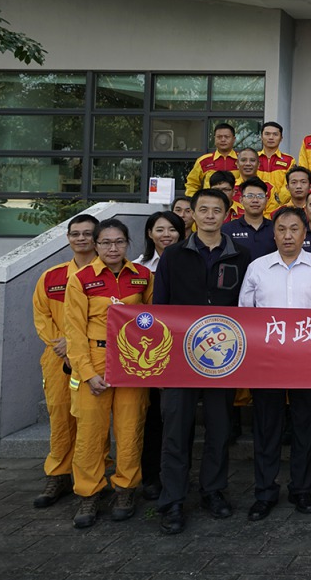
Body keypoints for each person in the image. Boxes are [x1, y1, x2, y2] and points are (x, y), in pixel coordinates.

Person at [154, 188, 252, 535]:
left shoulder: (242, 255)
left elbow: (248, 309)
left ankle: (213, 491)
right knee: (176, 430)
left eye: (217, 210)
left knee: (219, 427)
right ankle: (173, 500)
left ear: (227, 214)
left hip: (222, 358)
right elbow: (160, 307)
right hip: (178, 358)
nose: (210, 215)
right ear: (191, 215)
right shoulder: (173, 255)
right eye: (203, 210)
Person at [238, 206, 311, 521]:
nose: (288, 235)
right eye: (281, 229)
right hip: (268, 363)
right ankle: (265, 492)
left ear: (304, 233)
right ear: (273, 232)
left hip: (307, 361)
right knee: (267, 428)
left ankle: (301, 489)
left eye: (294, 228)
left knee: (304, 427)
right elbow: (245, 317)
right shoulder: (258, 268)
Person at [63, 218, 152, 528]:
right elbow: (73, 330)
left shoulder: (142, 276)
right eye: (106, 243)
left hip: (132, 361)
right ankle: (88, 494)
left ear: (128, 244)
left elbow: (155, 321)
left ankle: (125, 488)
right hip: (94, 359)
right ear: (96, 245)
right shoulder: (82, 278)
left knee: (130, 429)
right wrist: (87, 372)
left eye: (119, 242)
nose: (113, 248)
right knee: (90, 434)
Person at [30, 213, 99, 510]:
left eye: (87, 234)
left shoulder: (108, 275)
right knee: (60, 416)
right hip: (57, 357)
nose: (81, 238)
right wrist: (63, 343)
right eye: (75, 234)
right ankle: (58, 473)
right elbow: (41, 316)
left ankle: (95, 473)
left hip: (94, 356)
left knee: (92, 419)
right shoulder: (52, 277)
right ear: (68, 238)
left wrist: (75, 344)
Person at [132, 211, 186, 500]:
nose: (166, 235)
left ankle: (177, 476)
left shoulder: (188, 261)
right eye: (159, 229)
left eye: (172, 230)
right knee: (152, 415)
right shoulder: (137, 268)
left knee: (177, 417)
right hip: (148, 351)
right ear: (150, 234)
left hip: (181, 349)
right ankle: (150, 475)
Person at [222, 178, 277, 257]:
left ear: (266, 200)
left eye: (260, 196)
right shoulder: (227, 230)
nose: (255, 200)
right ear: (241, 200)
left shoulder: (276, 229)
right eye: (250, 196)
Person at [184, 122, 239, 197]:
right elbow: (192, 184)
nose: (223, 140)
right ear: (214, 139)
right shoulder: (204, 160)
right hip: (210, 204)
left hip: (237, 205)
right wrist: (195, 201)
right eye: (219, 137)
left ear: (234, 139)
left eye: (227, 137)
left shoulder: (242, 159)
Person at [256, 120, 295, 195]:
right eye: (267, 134)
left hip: (280, 204)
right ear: (261, 137)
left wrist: (278, 201)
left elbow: (289, 185)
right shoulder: (252, 159)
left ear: (281, 138)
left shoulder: (289, 160)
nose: (271, 137)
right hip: (255, 202)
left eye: (275, 134)